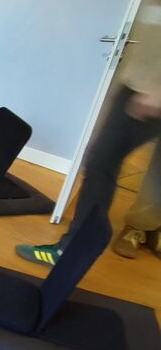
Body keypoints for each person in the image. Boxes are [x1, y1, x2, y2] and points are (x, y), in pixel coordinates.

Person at [17, 20, 161, 266]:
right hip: (141, 81)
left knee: (100, 163)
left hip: (147, 89)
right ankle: (131, 229)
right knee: (107, 165)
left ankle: (71, 251)